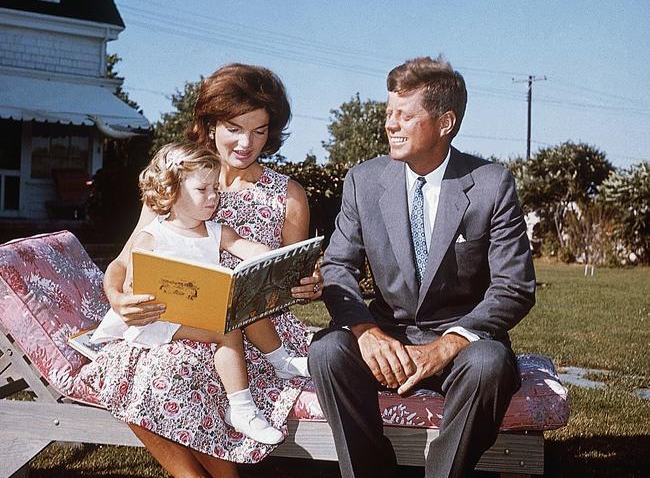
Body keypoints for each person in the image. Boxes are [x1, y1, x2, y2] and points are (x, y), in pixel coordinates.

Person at [78, 63, 321, 478]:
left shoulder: (288, 195)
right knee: (145, 366)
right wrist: (119, 299)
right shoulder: (176, 182)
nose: (247, 142)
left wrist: (308, 284)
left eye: (260, 131)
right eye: (234, 127)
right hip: (178, 320)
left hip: (257, 331)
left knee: (178, 369)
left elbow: (288, 272)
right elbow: (123, 262)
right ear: (209, 125)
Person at [309, 56, 536, 478]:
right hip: (388, 335)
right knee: (327, 351)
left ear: (445, 122)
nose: (390, 125)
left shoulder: (491, 184)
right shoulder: (363, 180)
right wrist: (366, 332)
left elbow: (514, 287)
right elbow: (338, 266)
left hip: (463, 341)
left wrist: (449, 343)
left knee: (488, 364)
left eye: (404, 115)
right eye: (388, 113)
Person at [91, 142, 310, 445]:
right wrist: (134, 291)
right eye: (202, 190)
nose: (213, 197)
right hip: (159, 319)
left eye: (215, 189)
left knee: (243, 308)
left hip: (197, 311)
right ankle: (242, 409)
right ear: (172, 191)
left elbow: (248, 248)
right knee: (227, 330)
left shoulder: (215, 230)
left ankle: (281, 361)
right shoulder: (152, 236)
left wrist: (270, 259)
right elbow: (132, 284)